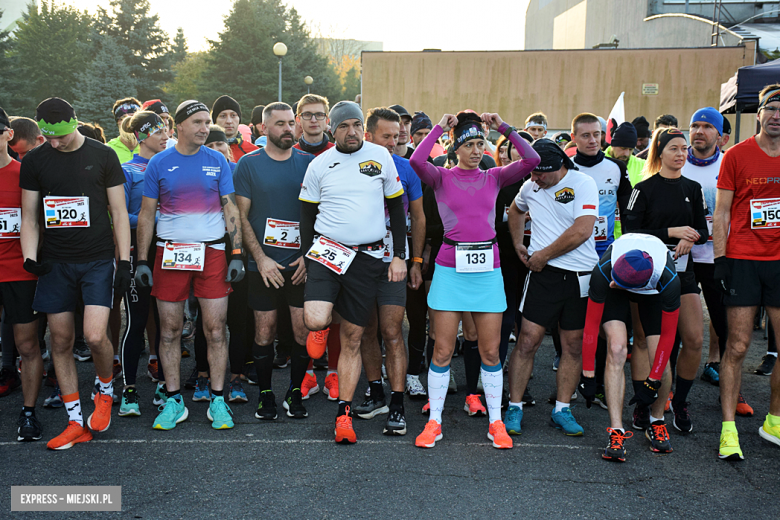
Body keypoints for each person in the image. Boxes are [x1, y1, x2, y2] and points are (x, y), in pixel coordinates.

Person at [410, 110, 540, 449]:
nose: (476, 150)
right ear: (456, 148)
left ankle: (495, 422)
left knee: (491, 349)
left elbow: (532, 158)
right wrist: (440, 126)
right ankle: (434, 422)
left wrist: (504, 128)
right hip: (450, 269)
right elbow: (416, 160)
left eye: (481, 143)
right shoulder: (441, 177)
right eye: (469, 144)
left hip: (487, 271)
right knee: (441, 348)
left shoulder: (494, 176)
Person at [20, 98, 132, 449]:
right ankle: (74, 421)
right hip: (55, 263)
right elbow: (29, 215)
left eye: (61, 137)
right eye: (48, 138)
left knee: (96, 336)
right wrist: (29, 256)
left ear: (75, 122)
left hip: (97, 259)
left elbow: (118, 209)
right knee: (61, 341)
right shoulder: (35, 160)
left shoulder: (102, 155)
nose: (55, 144)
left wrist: (125, 262)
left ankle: (104, 389)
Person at [298, 100, 406, 444]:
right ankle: (320, 326)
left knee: (354, 338)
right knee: (315, 320)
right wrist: (305, 254)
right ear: (332, 129)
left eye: (356, 125)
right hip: (328, 253)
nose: (352, 132)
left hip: (367, 259)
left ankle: (343, 415)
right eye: (344, 126)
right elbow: (305, 216)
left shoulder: (381, 156)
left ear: (364, 127)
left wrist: (400, 256)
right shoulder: (319, 164)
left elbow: (397, 208)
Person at [134, 99, 245, 431]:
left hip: (211, 253)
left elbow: (230, 209)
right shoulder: (159, 163)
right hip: (169, 255)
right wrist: (142, 259)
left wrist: (236, 252)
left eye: (205, 121)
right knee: (168, 331)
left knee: (215, 329)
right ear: (178, 126)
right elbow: (147, 214)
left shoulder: (217, 160)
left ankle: (218, 399)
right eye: (196, 122)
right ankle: (173, 400)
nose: (203, 128)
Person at [506, 138, 598, 437]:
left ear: (559, 166)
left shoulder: (583, 183)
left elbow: (583, 230)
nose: (534, 178)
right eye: (531, 173)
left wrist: (543, 254)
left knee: (571, 345)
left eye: (539, 174)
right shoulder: (530, 185)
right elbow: (515, 210)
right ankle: (515, 406)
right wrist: (519, 243)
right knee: (527, 340)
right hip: (543, 276)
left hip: (579, 276)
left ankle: (562, 409)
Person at [624, 128, 708, 437]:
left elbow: (702, 229)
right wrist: (672, 233)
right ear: (660, 153)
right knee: (645, 340)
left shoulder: (693, 187)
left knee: (695, 338)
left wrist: (691, 238)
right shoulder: (643, 189)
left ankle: (680, 401)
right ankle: (643, 404)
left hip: (683, 273)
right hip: (647, 275)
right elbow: (631, 232)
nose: (681, 154)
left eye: (684, 149)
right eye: (674, 148)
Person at [234, 102, 313, 420]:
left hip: (300, 265)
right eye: (280, 124)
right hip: (262, 265)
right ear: (263, 128)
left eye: (291, 123)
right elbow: (241, 217)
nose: (288, 129)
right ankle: (265, 394)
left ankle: (295, 392)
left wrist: (310, 257)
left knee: (301, 333)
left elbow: (321, 215)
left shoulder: (309, 164)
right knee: (264, 332)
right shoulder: (249, 165)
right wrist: (262, 259)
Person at [714, 84, 780, 460]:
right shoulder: (737, 156)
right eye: (771, 109)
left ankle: (774, 420)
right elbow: (722, 211)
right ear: (759, 114)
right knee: (737, 346)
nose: (777, 116)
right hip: (742, 260)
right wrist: (721, 259)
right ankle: (728, 429)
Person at [353, 107, 425, 435]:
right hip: (357, 264)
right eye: (387, 136)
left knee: (393, 331)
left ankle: (397, 404)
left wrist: (415, 262)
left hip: (394, 263)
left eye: (397, 136)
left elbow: (419, 218)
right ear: (369, 136)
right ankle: (377, 392)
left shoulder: (406, 169)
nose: (394, 142)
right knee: (367, 332)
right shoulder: (350, 166)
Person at [580, 233, 681, 460]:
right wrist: (587, 374)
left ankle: (656, 421)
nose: (614, 282)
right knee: (616, 349)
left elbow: (669, 336)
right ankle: (616, 430)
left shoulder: (669, 278)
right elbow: (590, 325)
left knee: (660, 359)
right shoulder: (605, 270)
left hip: (653, 293)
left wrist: (653, 381)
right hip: (616, 292)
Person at [681, 107, 751, 416]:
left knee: (727, 327)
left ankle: (733, 390)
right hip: (682, 257)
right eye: (695, 125)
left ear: (721, 136)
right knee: (676, 327)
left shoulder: (730, 164)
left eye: (707, 126)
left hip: (718, 257)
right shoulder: (677, 162)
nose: (699, 131)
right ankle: (668, 392)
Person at [117, 110, 168, 417]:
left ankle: (164, 384)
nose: (165, 136)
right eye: (159, 131)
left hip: (168, 254)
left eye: (166, 130)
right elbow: (119, 215)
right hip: (139, 254)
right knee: (136, 322)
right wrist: (155, 218)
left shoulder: (168, 165)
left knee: (166, 323)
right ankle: (130, 390)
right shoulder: (127, 170)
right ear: (141, 136)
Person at [0, 107, 44, 442]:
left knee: (27, 344)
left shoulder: (25, 173)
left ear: (7, 135)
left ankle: (28, 412)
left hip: (19, 271)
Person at [292, 95, 340, 394]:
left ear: (327, 121)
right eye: (307, 115)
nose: (313, 120)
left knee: (335, 311)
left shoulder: (340, 152)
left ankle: (333, 372)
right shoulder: (289, 153)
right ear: (299, 118)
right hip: (300, 244)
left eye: (319, 115)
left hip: (336, 243)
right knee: (306, 311)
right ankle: (307, 373)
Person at [211, 95, 258, 161]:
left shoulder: (254, 152)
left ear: (239, 119)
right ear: (215, 120)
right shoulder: (206, 150)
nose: (229, 121)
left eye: (233, 115)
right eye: (223, 116)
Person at [107, 97, 141, 163]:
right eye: (123, 118)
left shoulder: (149, 147)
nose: (129, 122)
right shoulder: (108, 149)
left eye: (133, 117)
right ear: (118, 122)